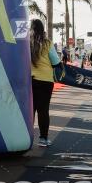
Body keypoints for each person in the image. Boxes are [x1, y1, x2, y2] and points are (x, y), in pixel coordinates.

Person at [30, 19, 61, 147]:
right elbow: (55, 62)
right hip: (45, 82)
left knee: (30, 110)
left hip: (30, 81)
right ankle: (43, 139)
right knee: (43, 111)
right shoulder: (47, 43)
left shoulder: (27, 43)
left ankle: (26, 137)